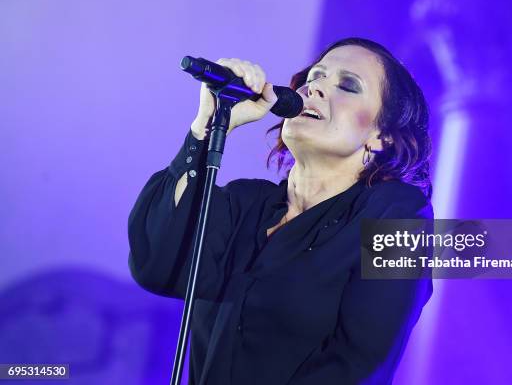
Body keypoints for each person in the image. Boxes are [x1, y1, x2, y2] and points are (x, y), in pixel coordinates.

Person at [128, 37, 434, 385]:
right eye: (315, 76)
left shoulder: (399, 217)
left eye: (347, 85)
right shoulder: (244, 203)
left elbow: (357, 365)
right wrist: (209, 125)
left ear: (382, 137)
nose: (315, 87)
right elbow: (156, 265)